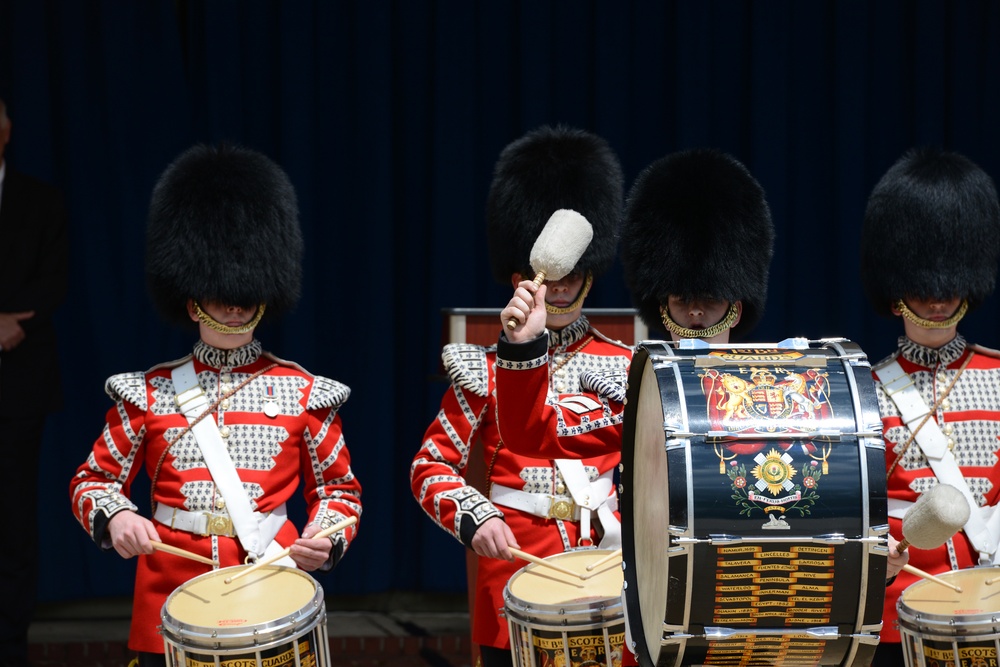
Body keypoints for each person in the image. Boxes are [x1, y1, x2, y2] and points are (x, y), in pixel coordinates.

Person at [497, 148, 909, 664]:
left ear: (735, 302)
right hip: (662, 614)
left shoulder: (793, 389)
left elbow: (835, 489)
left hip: (765, 611)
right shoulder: (638, 389)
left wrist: (873, 552)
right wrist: (525, 347)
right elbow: (532, 436)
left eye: (710, 298)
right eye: (680, 299)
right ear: (660, 304)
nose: (694, 311)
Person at [69, 144, 362, 667]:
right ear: (192, 297)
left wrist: (328, 534)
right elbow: (93, 481)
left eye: (245, 292)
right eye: (221, 291)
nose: (233, 303)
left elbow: (340, 491)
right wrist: (114, 516)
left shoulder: (304, 392)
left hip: (270, 587)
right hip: (171, 595)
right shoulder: (148, 392)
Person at [410, 125, 630, 667]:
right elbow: (430, 465)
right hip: (517, 567)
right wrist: (477, 517)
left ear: (587, 277)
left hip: (607, 568)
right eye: (548, 280)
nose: (557, 290)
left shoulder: (626, 367)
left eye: (569, 278)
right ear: (519, 278)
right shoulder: (482, 370)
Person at [860, 147, 1000, 666]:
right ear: (897, 290)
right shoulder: (864, 389)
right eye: (923, 285)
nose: (939, 299)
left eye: (949, 284)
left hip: (991, 606)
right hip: (901, 614)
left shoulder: (997, 376)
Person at [0, 97, 70, 667]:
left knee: (13, 524)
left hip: (17, 386)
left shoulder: (40, 201)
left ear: (6, 133)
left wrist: (8, 323)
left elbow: (55, 279)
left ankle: (9, 646)